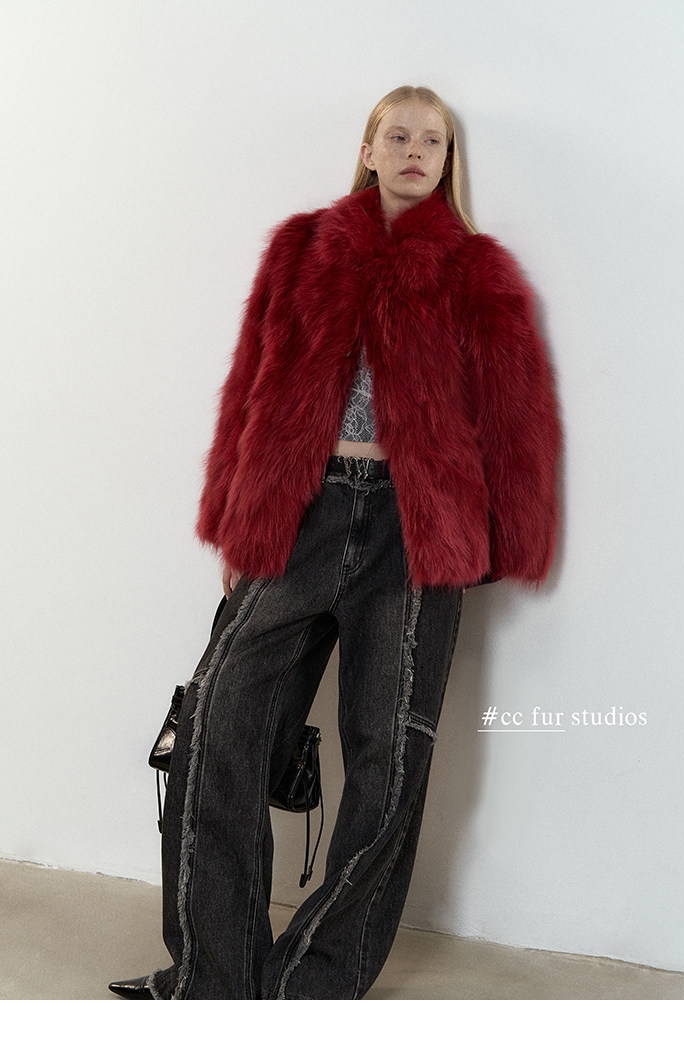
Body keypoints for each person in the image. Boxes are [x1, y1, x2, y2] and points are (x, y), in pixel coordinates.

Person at [109, 85, 561, 1000]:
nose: (414, 151)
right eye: (398, 135)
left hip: (415, 535)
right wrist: (238, 514)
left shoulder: (477, 271)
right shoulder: (303, 249)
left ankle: (311, 985)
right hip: (300, 513)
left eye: (432, 141)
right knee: (215, 724)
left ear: (447, 161)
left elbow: (515, 416)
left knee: (388, 760)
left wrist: (501, 539)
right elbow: (252, 385)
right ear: (368, 148)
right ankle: (212, 976)